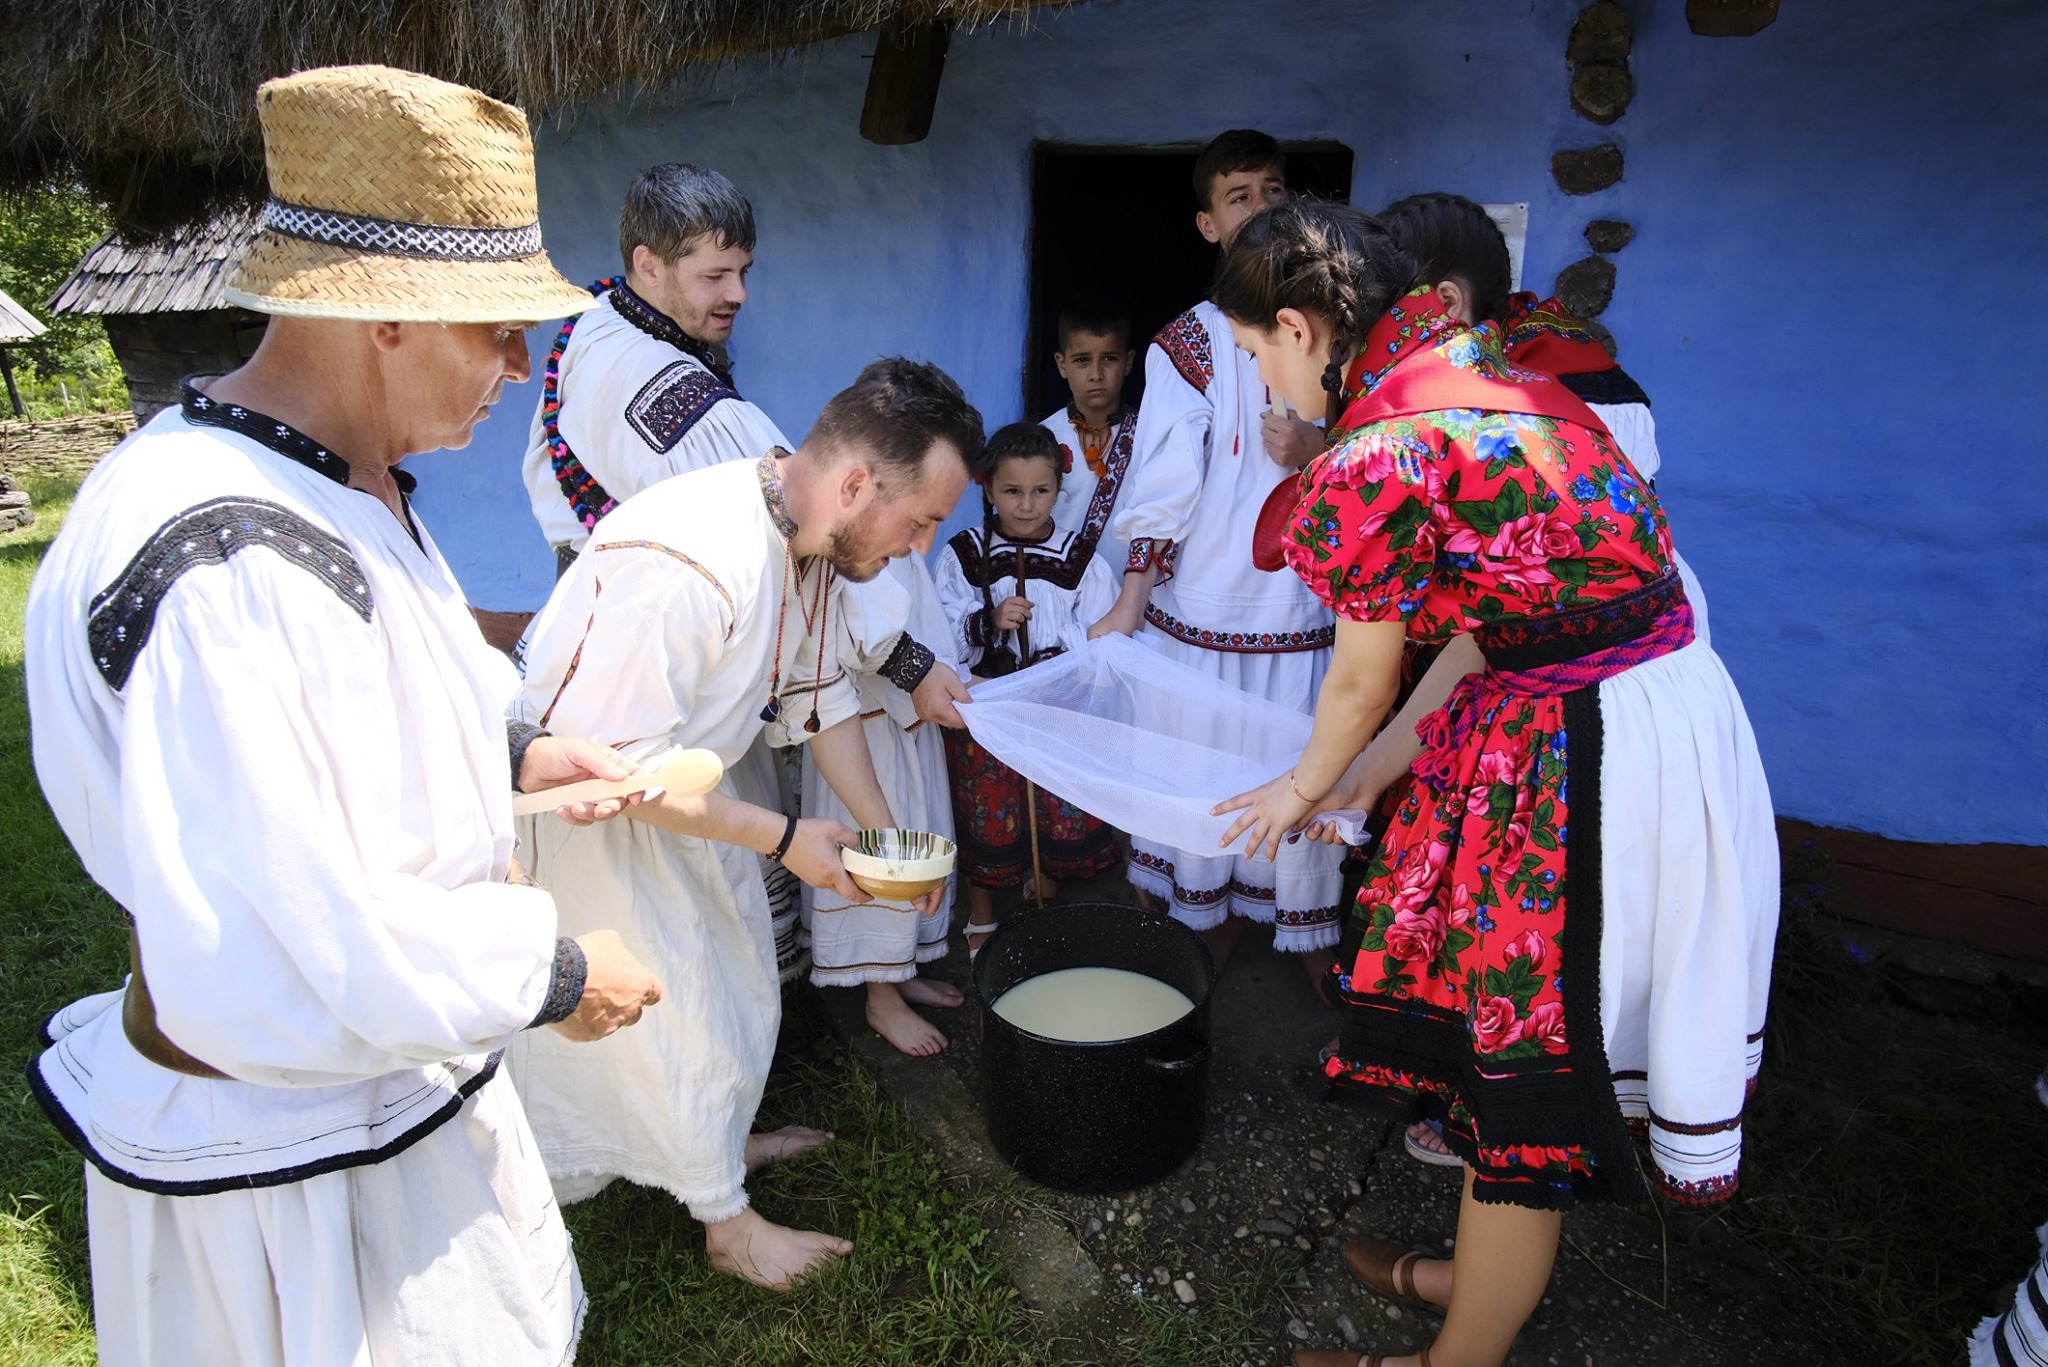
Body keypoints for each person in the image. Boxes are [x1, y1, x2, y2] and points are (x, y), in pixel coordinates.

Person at [22, 65, 663, 1366]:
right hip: (296, 1172)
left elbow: (382, 675)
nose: (518, 364)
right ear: (387, 317)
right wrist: (558, 975)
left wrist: (518, 742)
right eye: (494, 330)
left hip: (388, 1100)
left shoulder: (333, 477)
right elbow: (292, 931)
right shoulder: (225, 559)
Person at [1208, 202, 1778, 1367]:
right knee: (1510, 1065)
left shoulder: (1376, 455)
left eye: (1259, 352)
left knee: (1516, 1071)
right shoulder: (1485, 375)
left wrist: (1297, 788)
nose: (1264, 380)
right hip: (1650, 711)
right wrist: (1375, 770)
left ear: (1301, 328)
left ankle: (1453, 1360)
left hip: (1592, 753)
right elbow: (1493, 619)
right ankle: (1475, 1284)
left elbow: (1358, 679)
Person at [507, 359, 980, 1291]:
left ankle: (715, 1146)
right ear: (855, 486)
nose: (921, 546)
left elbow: (823, 694)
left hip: (692, 801)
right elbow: (614, 775)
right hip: (597, 827)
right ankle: (728, 1227)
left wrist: (882, 836)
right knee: (669, 1013)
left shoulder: (805, 533)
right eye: (920, 519)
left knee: (729, 985)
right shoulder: (687, 562)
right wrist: (784, 838)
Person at [518, 162, 812, 984]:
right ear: (649, 264)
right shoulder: (645, 374)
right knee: (674, 856)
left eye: (743, 271)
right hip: (645, 646)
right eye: (715, 273)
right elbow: (775, 501)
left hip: (648, 623)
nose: (739, 293)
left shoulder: (612, 319)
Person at [1092, 128, 1346, 986]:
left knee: (1294, 758)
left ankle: (1307, 928)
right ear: (1207, 224)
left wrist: (1320, 443)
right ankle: (1207, 918)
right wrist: (1133, 594)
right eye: (1241, 197)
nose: (1262, 209)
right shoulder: (1189, 344)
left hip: (1301, 610)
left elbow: (1382, 443)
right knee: (1205, 767)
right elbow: (1164, 479)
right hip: (1203, 612)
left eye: (1275, 191)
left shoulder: (1334, 326)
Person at [1376, 190, 1711, 643]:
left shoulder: (1553, 388)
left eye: (1385, 307)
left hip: (1603, 640)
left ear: (1447, 302)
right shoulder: (1465, 374)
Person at [936, 423, 1122, 957]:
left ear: (1058, 489)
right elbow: (941, 622)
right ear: (988, 489)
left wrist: (1062, 663)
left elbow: (1099, 631)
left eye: (1040, 491)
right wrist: (989, 620)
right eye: (1012, 492)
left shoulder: (1078, 557)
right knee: (988, 814)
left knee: (1053, 805)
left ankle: (1043, 898)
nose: (1025, 505)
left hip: (1054, 709)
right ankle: (984, 918)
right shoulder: (965, 555)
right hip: (988, 709)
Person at [799, 553, 967, 1057]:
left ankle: (902, 966)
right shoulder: (843, 547)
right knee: (877, 846)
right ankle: (880, 993)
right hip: (859, 728)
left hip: (908, 719)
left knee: (918, 827)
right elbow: (854, 636)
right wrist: (917, 690)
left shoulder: (897, 543)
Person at [1039, 296, 1139, 569]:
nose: (1096, 373)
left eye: (1109, 358)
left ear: (1128, 362)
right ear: (1062, 364)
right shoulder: (1042, 440)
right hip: (1054, 593)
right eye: (1082, 360)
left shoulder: (1149, 435)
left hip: (1126, 596)